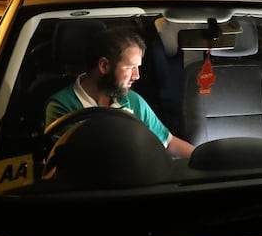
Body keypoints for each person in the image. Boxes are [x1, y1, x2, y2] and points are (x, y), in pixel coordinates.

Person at [45, 26, 195, 158]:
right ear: (104, 66)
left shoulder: (133, 100)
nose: (137, 76)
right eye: (130, 68)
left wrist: (204, 158)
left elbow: (168, 143)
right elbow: (76, 164)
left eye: (138, 68)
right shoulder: (62, 106)